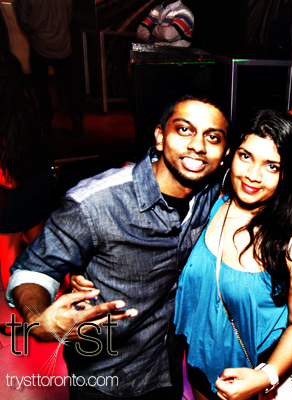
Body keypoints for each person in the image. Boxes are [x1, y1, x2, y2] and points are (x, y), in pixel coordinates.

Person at [6, 94, 229, 399]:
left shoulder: (210, 193)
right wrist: (37, 318)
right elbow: (33, 271)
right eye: (184, 130)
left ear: (224, 152)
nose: (198, 146)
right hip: (104, 377)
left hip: (166, 368)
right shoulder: (96, 202)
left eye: (212, 137)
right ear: (160, 136)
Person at [174, 109, 292, 400]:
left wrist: (265, 376)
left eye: (272, 166)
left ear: (288, 174)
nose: (253, 175)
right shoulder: (214, 205)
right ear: (231, 154)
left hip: (253, 379)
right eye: (245, 156)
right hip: (198, 366)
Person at [0, 49, 54, 293]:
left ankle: (18, 305)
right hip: (39, 179)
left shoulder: (6, 113)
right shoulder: (23, 98)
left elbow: (8, 178)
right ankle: (64, 287)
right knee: (39, 243)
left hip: (15, 186)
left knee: (8, 248)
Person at [14, 0, 85, 136]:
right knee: (70, 85)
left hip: (39, 44)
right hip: (63, 45)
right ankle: (76, 117)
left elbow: (23, 15)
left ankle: (46, 121)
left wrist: (34, 30)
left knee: (41, 86)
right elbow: (69, 15)